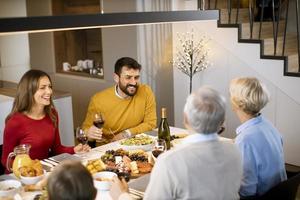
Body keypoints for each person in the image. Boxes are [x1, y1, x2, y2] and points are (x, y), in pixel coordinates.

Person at [143, 86, 242, 200]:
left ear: (186, 119)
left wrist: (122, 195)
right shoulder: (235, 150)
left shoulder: (169, 161)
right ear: (222, 121)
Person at [1, 69, 90, 170]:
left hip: (45, 171)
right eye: (42, 88)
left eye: (50, 87)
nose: (49, 91)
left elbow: (57, 149)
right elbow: (5, 160)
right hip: (22, 176)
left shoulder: (52, 114)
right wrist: (26, 171)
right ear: (29, 92)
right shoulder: (15, 122)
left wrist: (74, 149)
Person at [229, 77, 287, 198]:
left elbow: (247, 191)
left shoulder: (245, 140)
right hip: (280, 192)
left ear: (237, 102)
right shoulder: (268, 125)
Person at [82, 57, 157, 145]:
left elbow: (151, 123)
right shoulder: (98, 100)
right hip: (108, 147)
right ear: (116, 78)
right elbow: (86, 132)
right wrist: (89, 134)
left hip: (137, 143)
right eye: (128, 77)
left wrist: (126, 133)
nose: (133, 82)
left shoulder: (146, 91)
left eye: (136, 77)